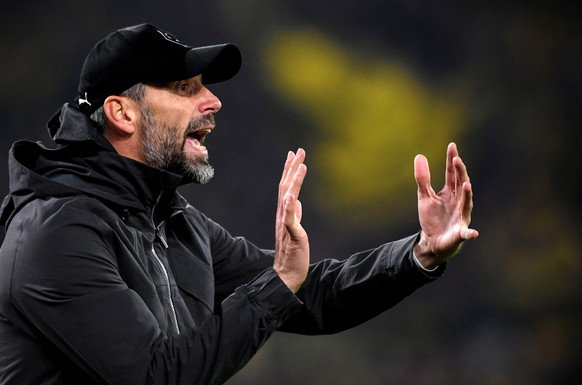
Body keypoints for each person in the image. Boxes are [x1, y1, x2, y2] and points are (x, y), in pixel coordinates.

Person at [0, 23, 478, 385]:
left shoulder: (174, 221)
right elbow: (156, 375)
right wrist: (278, 285)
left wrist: (420, 253)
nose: (213, 101)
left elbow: (313, 296)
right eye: (185, 89)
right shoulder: (53, 234)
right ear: (121, 112)